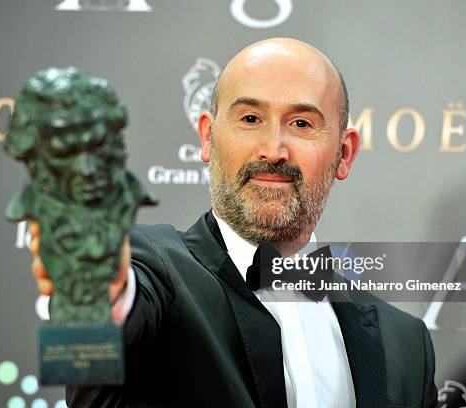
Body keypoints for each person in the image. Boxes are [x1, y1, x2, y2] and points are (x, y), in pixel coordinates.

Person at [29, 37, 437, 407]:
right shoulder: (153, 270)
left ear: (344, 154)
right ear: (207, 138)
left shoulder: (406, 344)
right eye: (250, 119)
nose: (273, 150)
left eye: (301, 124)